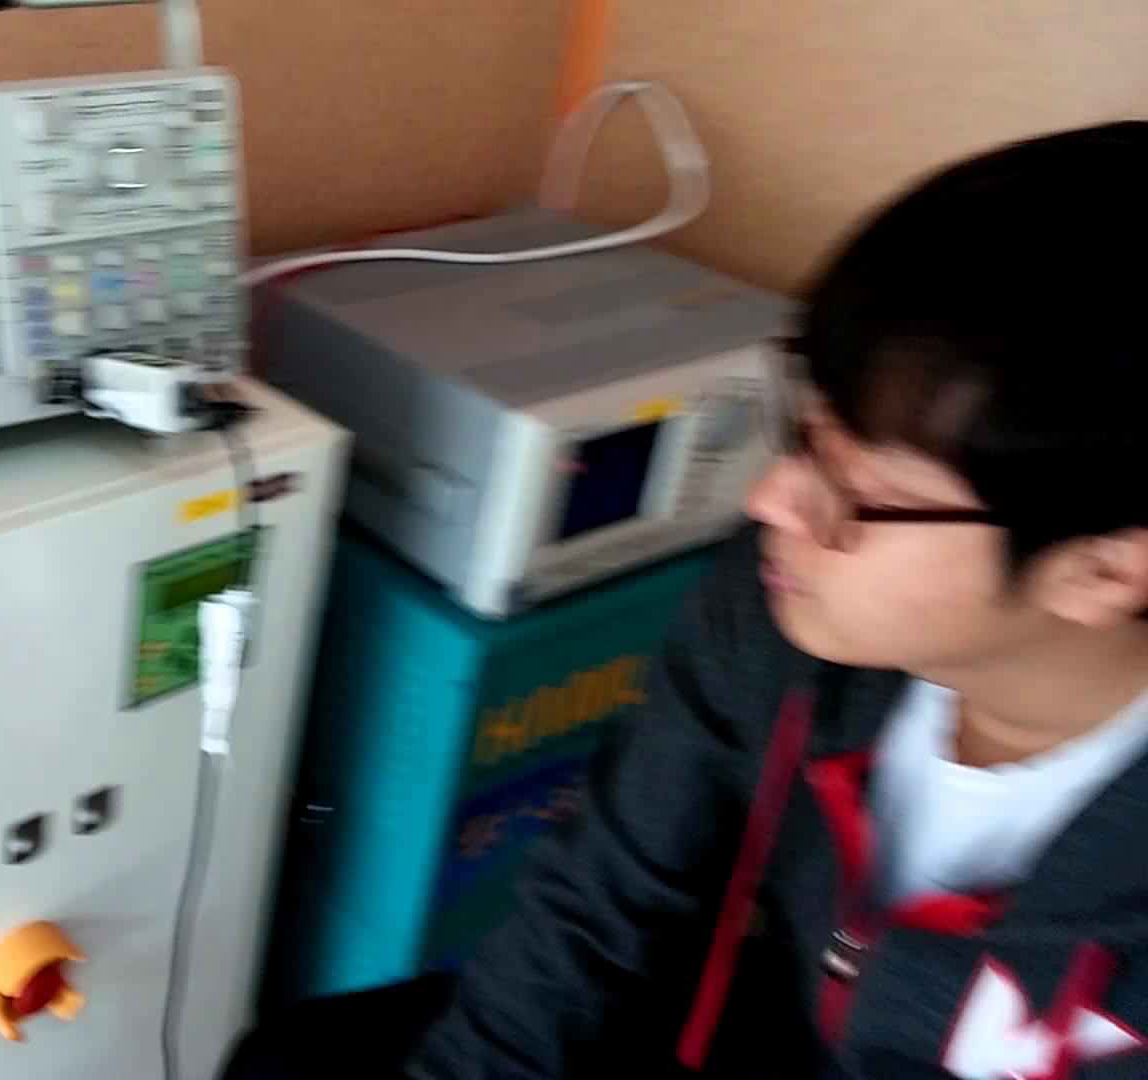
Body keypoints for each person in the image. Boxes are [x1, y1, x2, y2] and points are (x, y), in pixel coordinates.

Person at [221, 120, 1148, 1079]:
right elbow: (600, 905)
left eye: (857, 489)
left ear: (1105, 570)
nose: (769, 500)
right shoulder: (779, 611)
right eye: (802, 434)